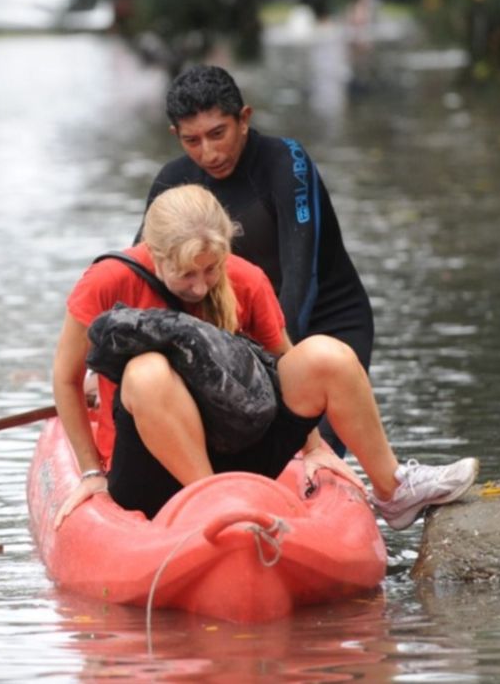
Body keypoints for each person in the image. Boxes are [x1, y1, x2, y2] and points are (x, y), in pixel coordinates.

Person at [56, 184, 477, 528]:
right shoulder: (107, 280)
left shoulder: (247, 279)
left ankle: (394, 489)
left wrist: (315, 449)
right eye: (186, 274)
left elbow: (286, 366)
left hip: (239, 449)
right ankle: (215, 502)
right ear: (156, 253)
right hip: (148, 468)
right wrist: (91, 472)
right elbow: (66, 378)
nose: (200, 287)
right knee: (147, 370)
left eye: (211, 269)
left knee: (326, 355)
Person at [137, 65, 374, 458]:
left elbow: (302, 276)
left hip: (326, 324)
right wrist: (106, 366)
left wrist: (271, 370)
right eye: (192, 140)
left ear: (244, 119)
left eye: (218, 133)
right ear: (175, 135)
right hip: (239, 335)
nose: (209, 153)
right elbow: (141, 276)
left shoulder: (286, 163)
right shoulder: (173, 180)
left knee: (312, 450)